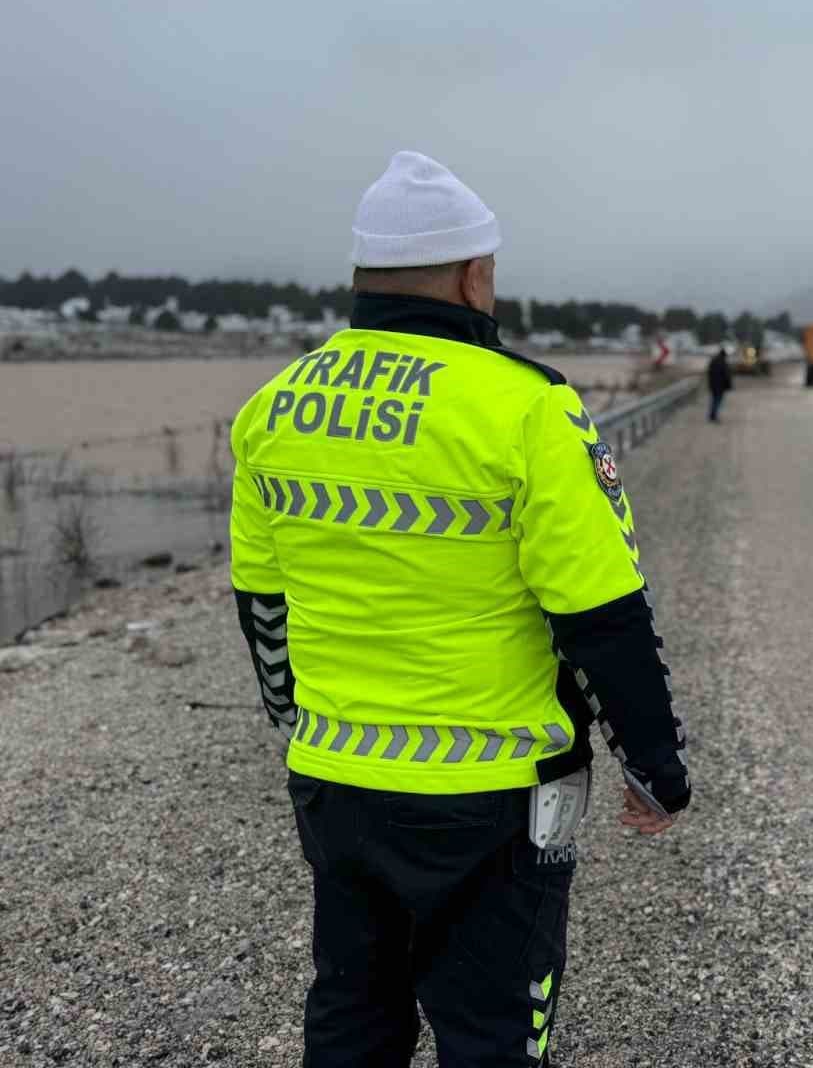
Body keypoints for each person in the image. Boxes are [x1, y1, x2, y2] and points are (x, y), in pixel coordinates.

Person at [228, 150, 690, 1068]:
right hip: (492, 800)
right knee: (492, 1037)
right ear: (476, 274)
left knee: (352, 1018)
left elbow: (263, 610)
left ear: (362, 276)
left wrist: (298, 724)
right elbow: (601, 615)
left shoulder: (274, 407)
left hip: (335, 783)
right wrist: (655, 763)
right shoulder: (526, 409)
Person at [706, 346, 732, 422]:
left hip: (713, 385)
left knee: (714, 400)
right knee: (717, 401)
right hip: (720, 386)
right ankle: (714, 416)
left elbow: (709, 373)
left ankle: (712, 415)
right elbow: (726, 375)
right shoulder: (723, 362)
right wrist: (728, 385)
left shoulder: (713, 361)